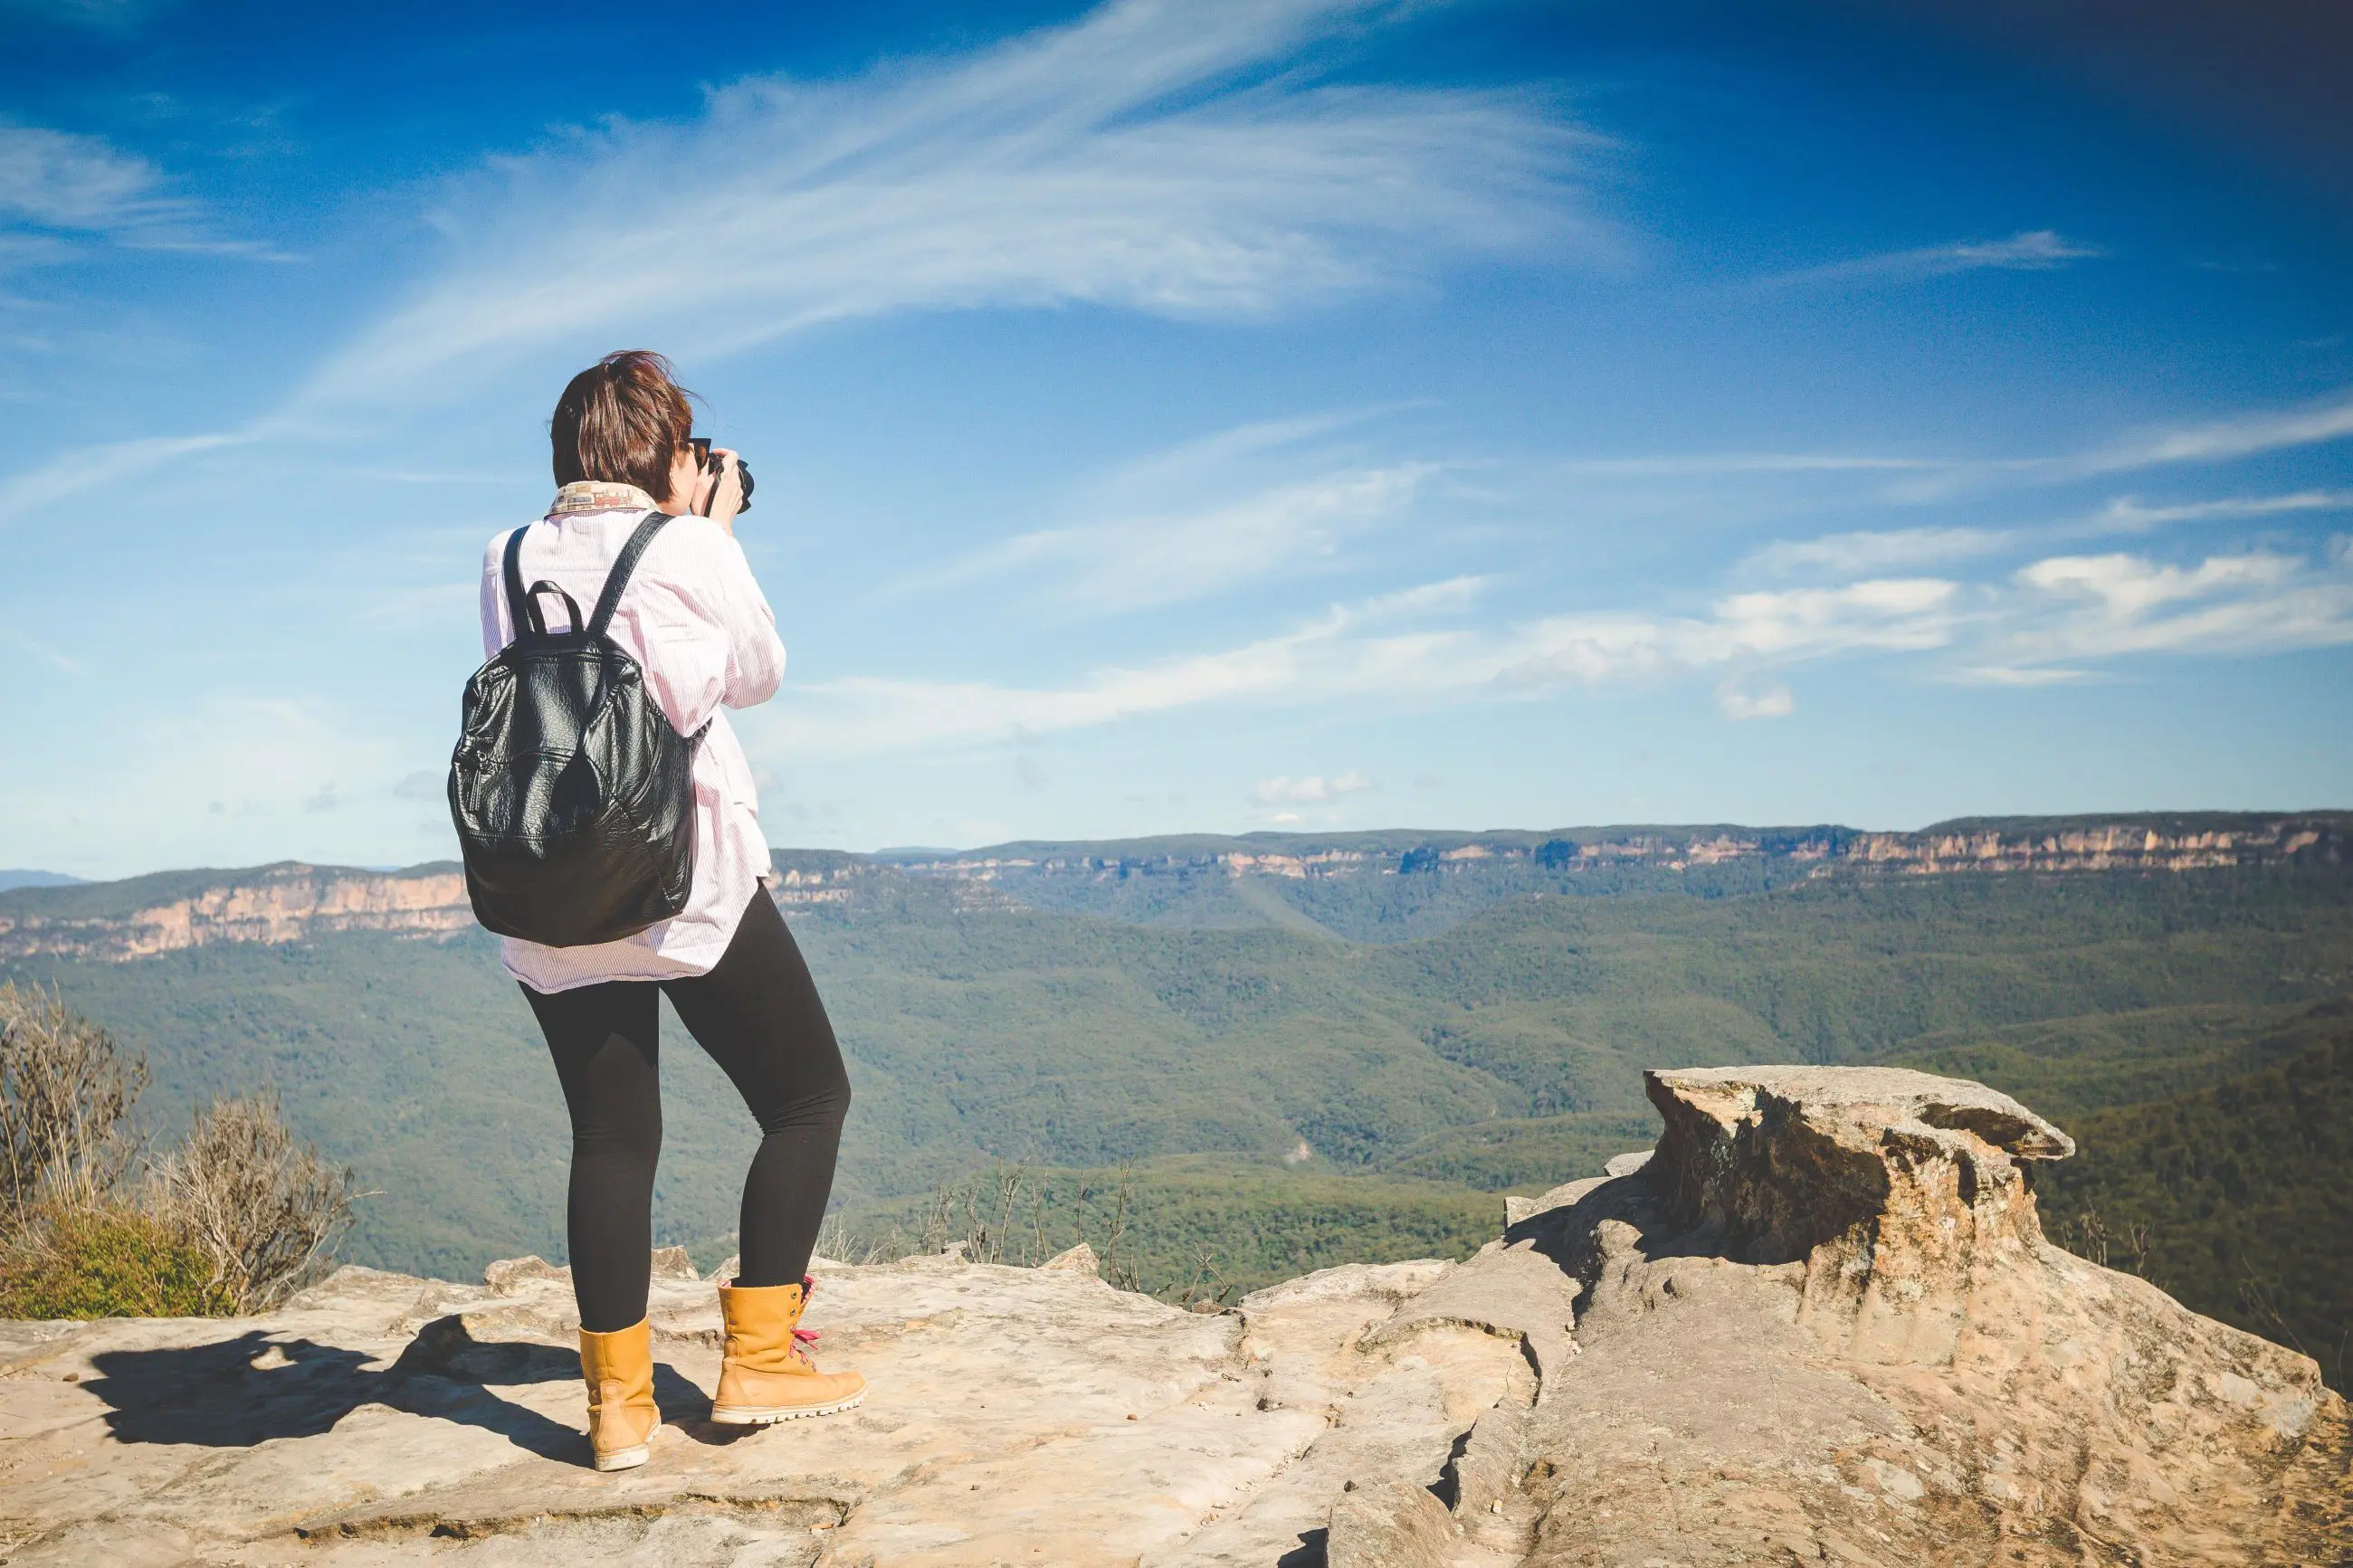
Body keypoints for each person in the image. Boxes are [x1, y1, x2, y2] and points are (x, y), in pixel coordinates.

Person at [479, 350, 862, 1474]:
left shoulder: (501, 555)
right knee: (806, 1098)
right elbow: (756, 670)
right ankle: (757, 1361)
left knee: (610, 1133)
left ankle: (617, 1414)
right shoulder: (686, 541)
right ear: (665, 451)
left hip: (548, 879)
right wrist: (712, 527)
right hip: (678, 873)